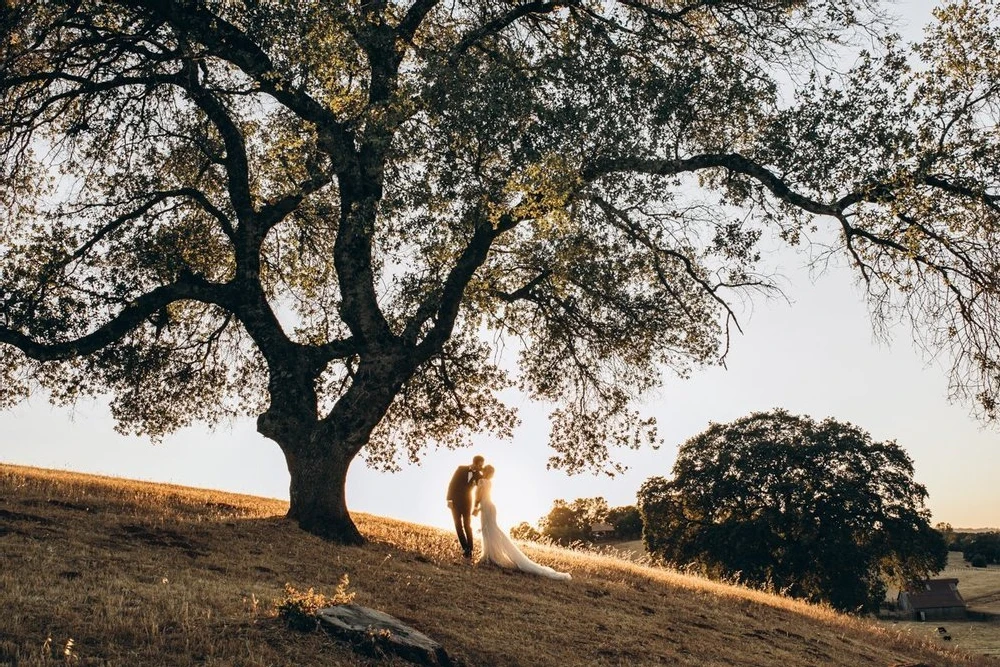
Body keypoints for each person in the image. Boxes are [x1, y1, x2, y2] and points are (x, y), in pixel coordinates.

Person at [476, 465, 572, 580]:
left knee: (488, 530)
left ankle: (490, 556)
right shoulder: (489, 482)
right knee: (490, 530)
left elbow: (478, 495)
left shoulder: (481, 481)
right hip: (490, 506)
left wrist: (475, 507)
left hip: (486, 507)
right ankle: (490, 555)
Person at [446, 455, 484, 558]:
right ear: (474, 463)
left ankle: (470, 549)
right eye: (479, 465)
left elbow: (483, 486)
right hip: (455, 501)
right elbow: (452, 483)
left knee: (467, 525)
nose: (480, 467)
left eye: (482, 466)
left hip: (467, 502)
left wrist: (477, 506)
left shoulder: (479, 475)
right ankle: (465, 548)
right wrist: (449, 499)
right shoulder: (461, 469)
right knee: (458, 524)